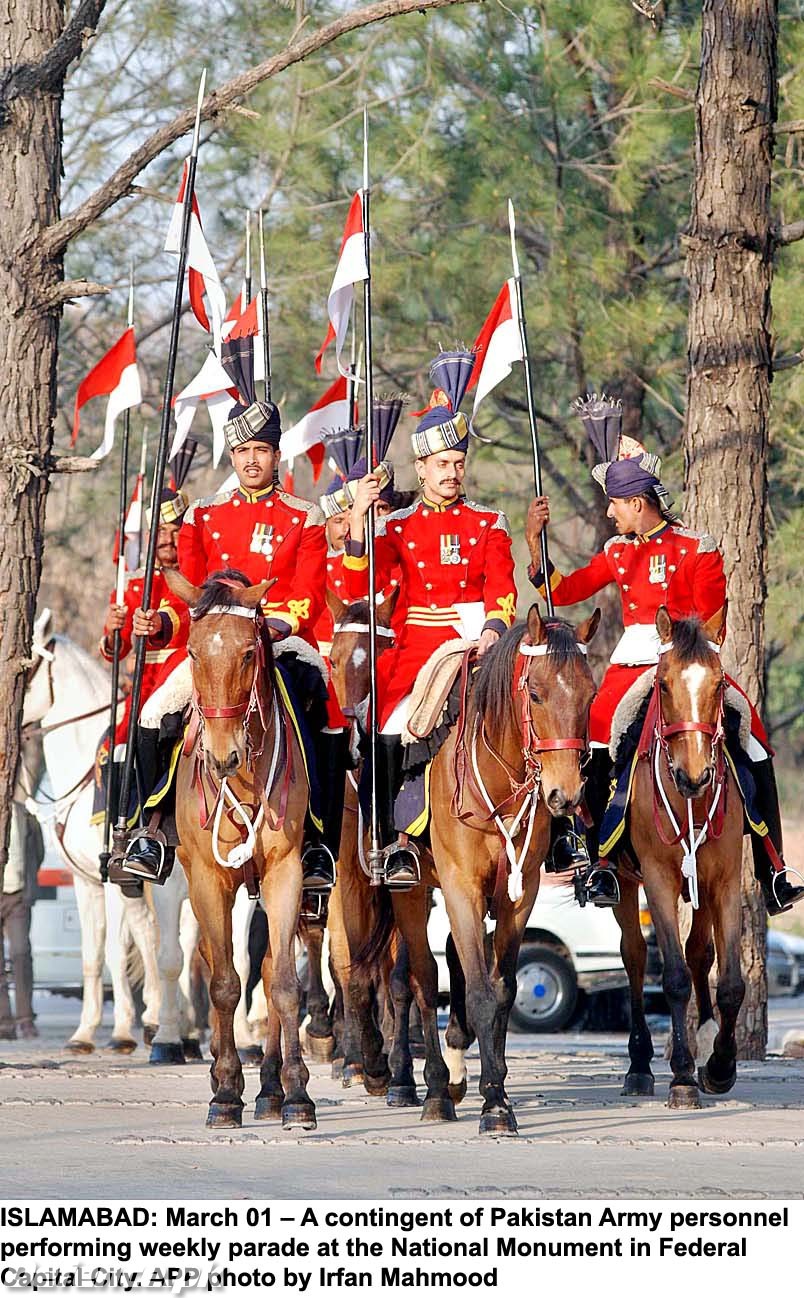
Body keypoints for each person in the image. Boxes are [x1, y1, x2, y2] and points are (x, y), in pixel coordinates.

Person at [527, 449, 804, 916]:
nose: (610, 511)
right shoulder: (617, 551)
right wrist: (536, 544)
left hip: (687, 660)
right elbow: (566, 590)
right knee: (590, 729)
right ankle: (596, 857)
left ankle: (772, 866)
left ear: (637, 502)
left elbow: (712, 621)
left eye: (614, 503)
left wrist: (681, 654)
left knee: (751, 734)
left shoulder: (697, 547)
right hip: (633, 660)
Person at [120, 395, 339, 897]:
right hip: (215, 647)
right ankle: (147, 828)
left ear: (277, 455)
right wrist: (160, 624)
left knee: (326, 716)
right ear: (233, 455)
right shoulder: (202, 516)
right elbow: (191, 598)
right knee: (153, 714)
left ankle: (317, 841)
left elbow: (306, 592)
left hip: (279, 642)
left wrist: (273, 629)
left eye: (261, 449)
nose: (251, 460)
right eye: (242, 450)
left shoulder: (302, 517)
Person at [344, 350, 517, 886]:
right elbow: (361, 586)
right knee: (384, 725)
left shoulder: (489, 522)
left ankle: (563, 838)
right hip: (417, 646)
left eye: (459, 464)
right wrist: (358, 514)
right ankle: (390, 839)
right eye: (443, 465)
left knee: (541, 715)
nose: (452, 473)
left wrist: (492, 630)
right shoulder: (395, 527)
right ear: (421, 469)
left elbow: (503, 590)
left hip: (476, 641)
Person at [100, 488, 191, 887]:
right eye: (161, 534)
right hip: (143, 682)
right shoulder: (134, 584)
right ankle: (124, 829)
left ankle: (161, 822)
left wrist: (158, 624)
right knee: (112, 744)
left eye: (174, 533)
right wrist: (114, 628)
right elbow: (113, 651)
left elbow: (184, 617)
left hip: (186, 677)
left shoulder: (196, 578)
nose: (168, 542)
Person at [0, 800, 45, 1040]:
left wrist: (28, 884)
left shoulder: (23, 814)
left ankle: (25, 1019)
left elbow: (38, 852)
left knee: (21, 954)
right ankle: (4, 1021)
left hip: (17, 894)